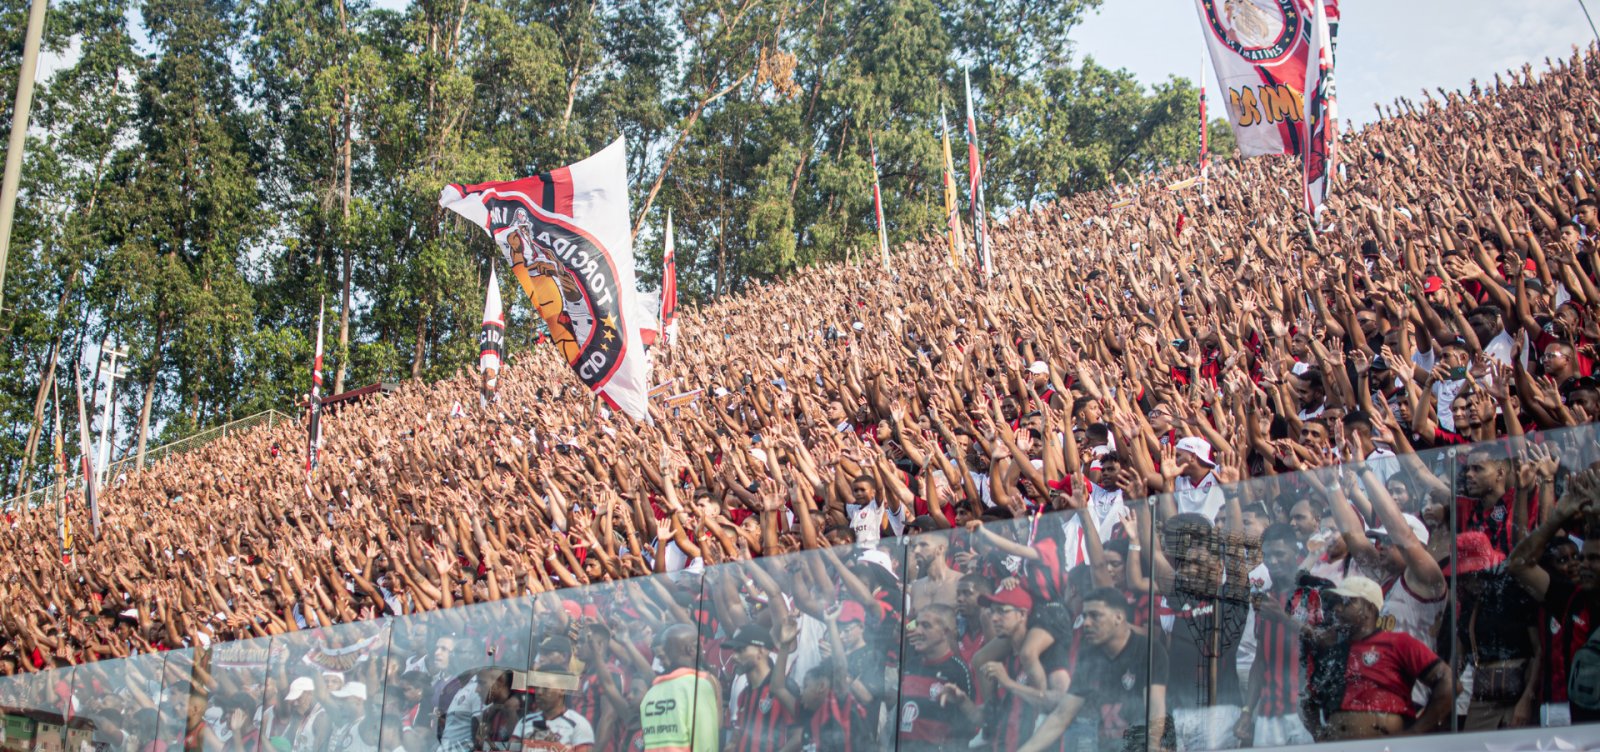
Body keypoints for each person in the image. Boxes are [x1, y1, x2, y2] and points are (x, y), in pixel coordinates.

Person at [1016, 588, 1168, 752]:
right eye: (1084, 616)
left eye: (1095, 615)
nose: (1086, 623)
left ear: (1118, 617)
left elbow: (1155, 711)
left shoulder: (1148, 650)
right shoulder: (1089, 655)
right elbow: (1062, 715)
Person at [1305, 576, 1455, 740]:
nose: (1338, 609)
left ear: (1369, 609)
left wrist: (1417, 732)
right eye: (1336, 602)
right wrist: (1318, 735)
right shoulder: (1332, 652)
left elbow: (1449, 683)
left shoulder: (1398, 643)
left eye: (1347, 602)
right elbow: (1308, 701)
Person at [638, 624, 719, 752]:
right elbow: (706, 742)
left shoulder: (650, 694)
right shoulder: (699, 685)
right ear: (690, 650)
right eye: (699, 645)